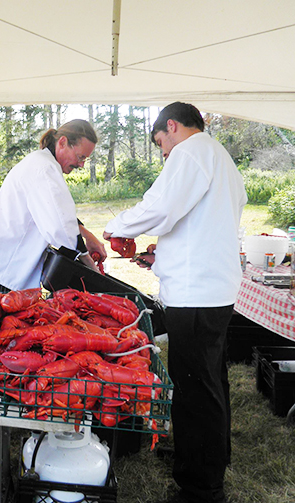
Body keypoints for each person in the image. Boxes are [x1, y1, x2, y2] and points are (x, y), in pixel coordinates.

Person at [103, 102, 247, 503]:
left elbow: (161, 207)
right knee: (210, 379)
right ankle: (207, 455)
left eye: (160, 142)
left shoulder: (192, 151)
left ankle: (201, 488)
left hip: (197, 294)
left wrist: (116, 226)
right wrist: (160, 256)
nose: (163, 151)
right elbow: (200, 223)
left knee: (193, 387)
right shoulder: (220, 158)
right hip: (212, 287)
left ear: (172, 126)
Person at [0, 119, 107, 294]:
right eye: (81, 157)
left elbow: (56, 211)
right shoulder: (44, 169)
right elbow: (61, 229)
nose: (81, 165)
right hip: (2, 273)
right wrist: (93, 270)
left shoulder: (41, 162)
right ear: (63, 142)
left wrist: (86, 234)